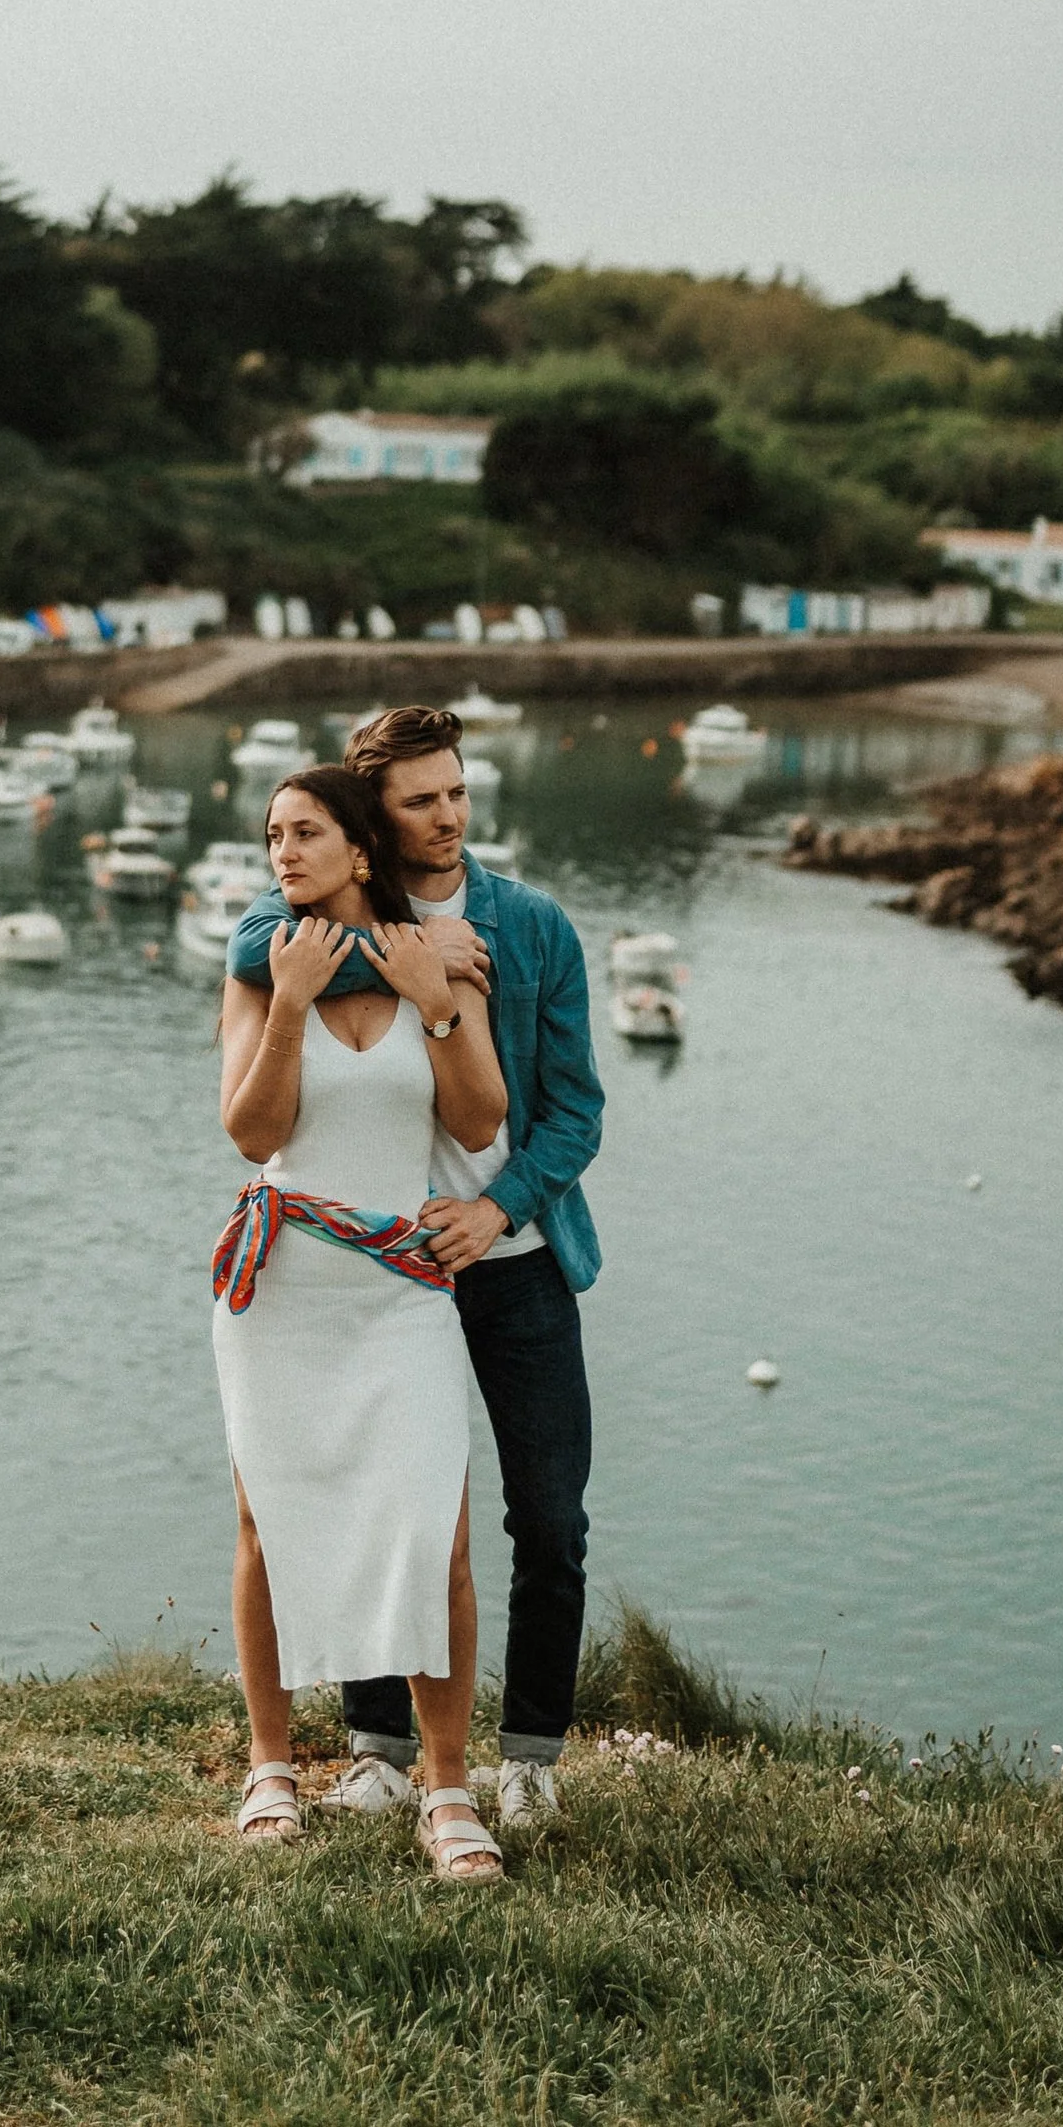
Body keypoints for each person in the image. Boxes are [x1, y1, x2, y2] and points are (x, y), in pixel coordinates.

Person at [232, 704, 603, 1834]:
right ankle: (380, 1748)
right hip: (377, 1265)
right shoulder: (305, 914)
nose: (447, 818)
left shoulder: (528, 928)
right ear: (370, 822)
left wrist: (494, 1213)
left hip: (510, 1256)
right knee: (375, 1500)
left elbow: (575, 1112)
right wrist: (391, 948)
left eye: (457, 793)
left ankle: (529, 1756)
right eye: (420, 801)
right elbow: (251, 952)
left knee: (547, 1518)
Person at [212, 761, 510, 1877]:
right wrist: (286, 1003)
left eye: (304, 833)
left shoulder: (439, 964)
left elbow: (481, 1123)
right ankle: (270, 1766)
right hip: (281, 1286)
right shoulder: (257, 971)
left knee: (438, 1536)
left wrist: (437, 1007)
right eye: (273, 836)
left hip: (400, 1295)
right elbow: (251, 1132)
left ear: (359, 847)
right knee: (265, 1524)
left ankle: (446, 1792)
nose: (282, 853)